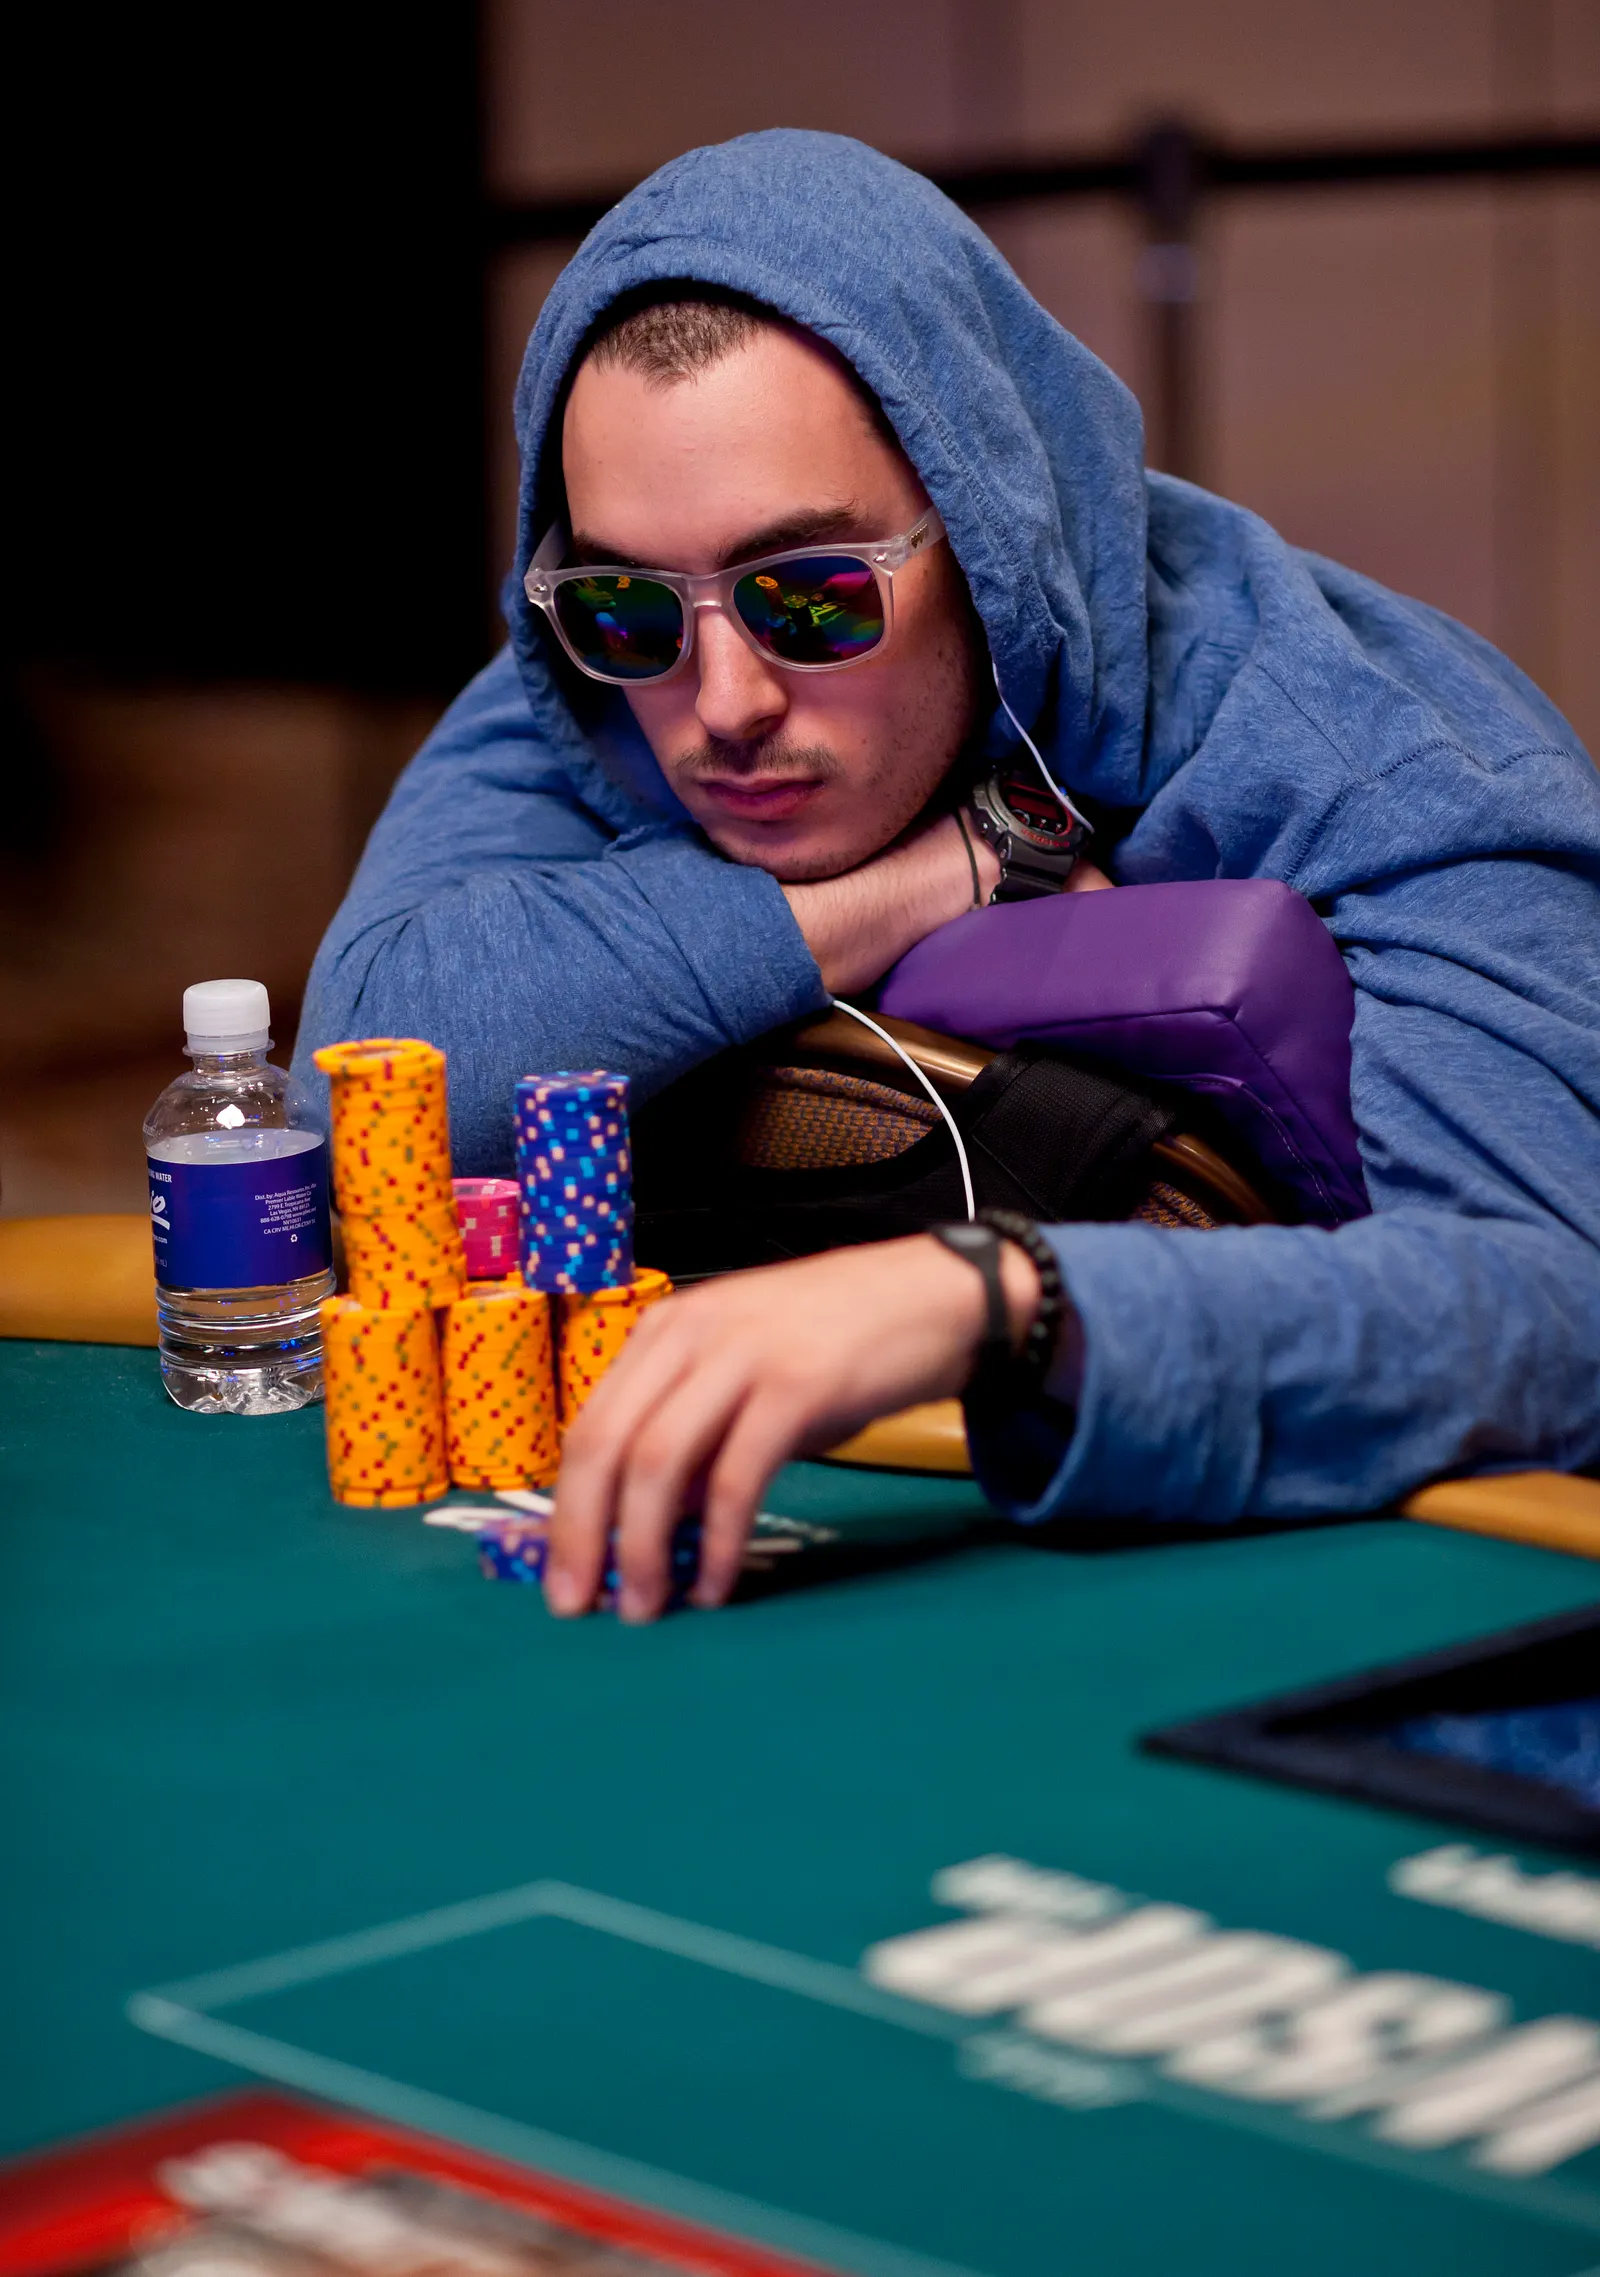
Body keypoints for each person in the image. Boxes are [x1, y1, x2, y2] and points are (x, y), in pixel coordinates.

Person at [295, 129, 1600, 1622]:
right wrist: (951, 872)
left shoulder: (1384, 761)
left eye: (812, 597)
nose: (723, 704)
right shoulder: (608, 672)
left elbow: (1559, 1313)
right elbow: (359, 1090)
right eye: (628, 606)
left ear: (986, 538)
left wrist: (986, 1296)